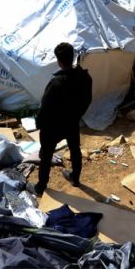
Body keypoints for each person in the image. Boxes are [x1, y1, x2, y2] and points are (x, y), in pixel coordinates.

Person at [34, 43, 93, 196]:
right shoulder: (84, 78)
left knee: (46, 155)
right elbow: (87, 100)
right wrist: (77, 115)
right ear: (72, 57)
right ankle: (75, 177)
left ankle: (41, 186)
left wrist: (39, 123)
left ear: (59, 61)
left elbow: (45, 107)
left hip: (53, 126)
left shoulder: (56, 83)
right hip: (72, 121)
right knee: (74, 148)